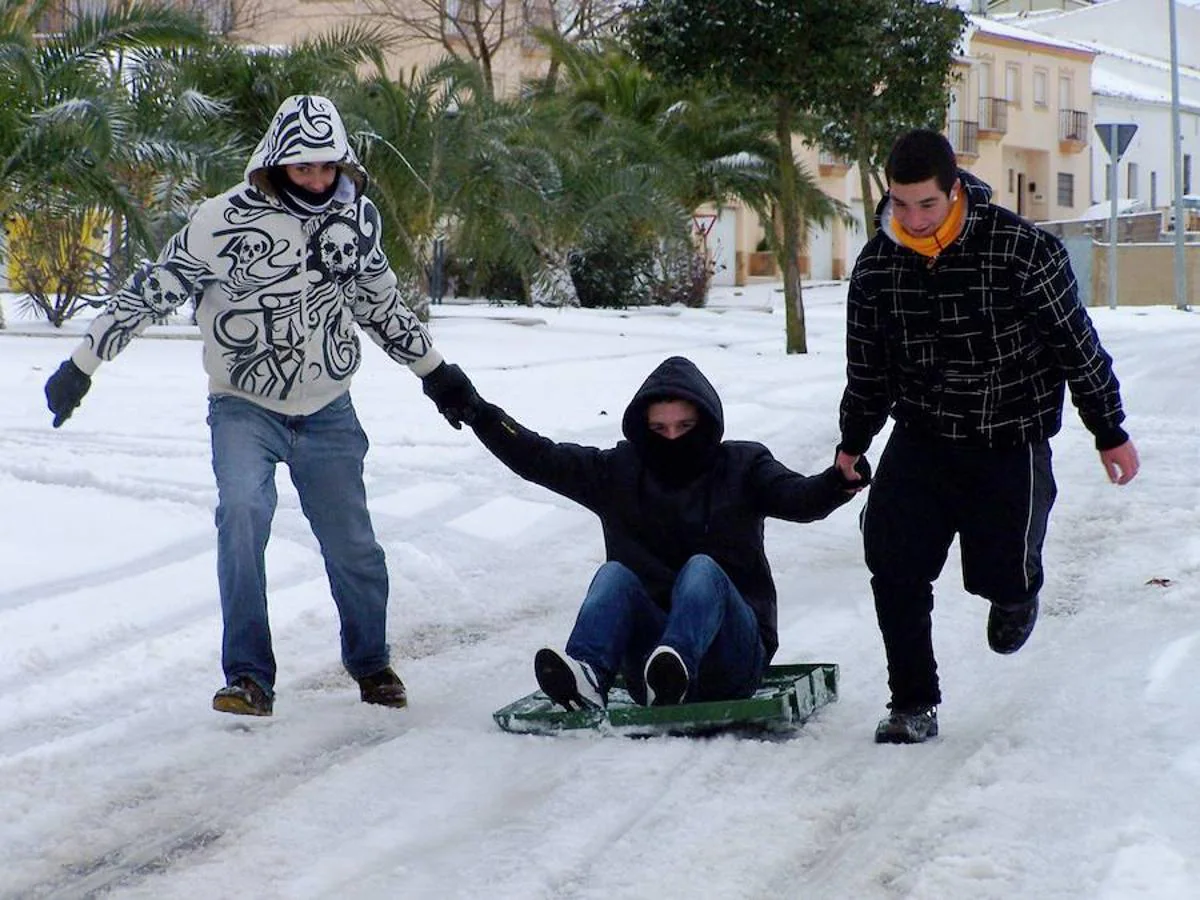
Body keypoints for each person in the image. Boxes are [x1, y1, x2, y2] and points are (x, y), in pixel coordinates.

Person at [42, 95, 473, 717]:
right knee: (242, 515)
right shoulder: (219, 222)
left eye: (329, 169)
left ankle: (372, 663)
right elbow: (149, 290)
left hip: (329, 409)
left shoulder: (356, 223)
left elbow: (381, 306)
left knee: (354, 545)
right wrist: (80, 366)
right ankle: (248, 677)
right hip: (243, 406)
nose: (318, 181)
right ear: (275, 163)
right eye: (304, 169)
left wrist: (440, 378)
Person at [834, 129, 1140, 744]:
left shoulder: (1021, 251)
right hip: (921, 434)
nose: (914, 218)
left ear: (955, 191)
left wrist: (1109, 429)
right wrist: (854, 439)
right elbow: (867, 366)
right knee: (893, 563)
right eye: (901, 204)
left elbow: (1076, 347)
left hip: (1010, 436)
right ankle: (912, 702)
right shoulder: (876, 267)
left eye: (927, 203)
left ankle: (1016, 592)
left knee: (998, 572)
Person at [433, 355, 869, 710]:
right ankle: (588, 674)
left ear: (708, 424)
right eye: (660, 430)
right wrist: (478, 413)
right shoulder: (618, 472)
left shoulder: (742, 466)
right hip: (646, 673)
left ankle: (677, 661)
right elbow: (539, 458)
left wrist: (837, 482)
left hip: (730, 660)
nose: (673, 438)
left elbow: (798, 498)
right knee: (615, 576)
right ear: (644, 430)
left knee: (701, 570)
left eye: (685, 427)